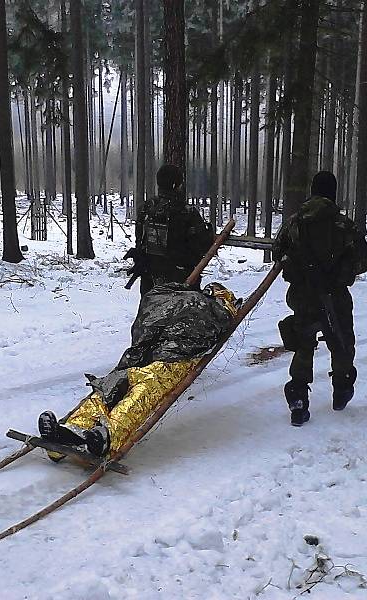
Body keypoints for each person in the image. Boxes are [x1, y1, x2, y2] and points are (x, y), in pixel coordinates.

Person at [38, 281, 241, 457]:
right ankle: (70, 431)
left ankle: (107, 436)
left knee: (143, 391)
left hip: (174, 362)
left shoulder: (215, 309)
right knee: (111, 385)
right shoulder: (188, 299)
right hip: (152, 354)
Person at [272, 171, 367, 426]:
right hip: (335, 296)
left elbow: (277, 252)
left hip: (302, 296)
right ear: (332, 193)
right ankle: (341, 389)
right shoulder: (343, 224)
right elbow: (364, 260)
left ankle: (298, 396)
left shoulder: (294, 223)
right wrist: (341, 272)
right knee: (341, 341)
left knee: (304, 343)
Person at [126, 164, 214, 295]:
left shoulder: (146, 208)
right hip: (181, 278)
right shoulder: (187, 211)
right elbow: (201, 246)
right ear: (177, 185)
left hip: (150, 276)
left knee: (150, 311)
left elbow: (139, 240)